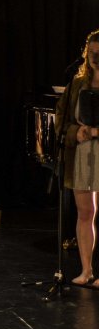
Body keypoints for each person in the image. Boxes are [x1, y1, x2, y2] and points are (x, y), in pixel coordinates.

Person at [55, 29, 99, 286]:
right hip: (82, 153)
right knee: (85, 212)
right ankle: (86, 270)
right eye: (92, 53)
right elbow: (62, 120)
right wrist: (77, 132)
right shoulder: (77, 84)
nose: (96, 58)